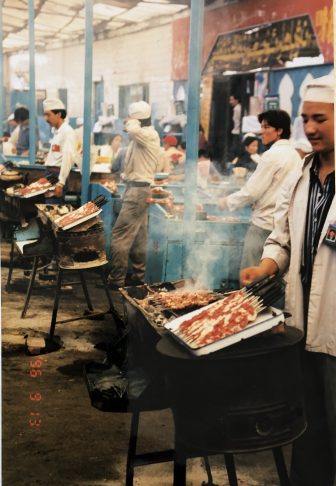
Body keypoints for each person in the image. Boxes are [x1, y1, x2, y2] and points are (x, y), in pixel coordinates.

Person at [240, 73, 335, 486]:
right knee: (308, 425)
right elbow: (282, 237)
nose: (310, 128)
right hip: (301, 327)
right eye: (305, 119)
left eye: (320, 119)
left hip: (334, 327)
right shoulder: (301, 174)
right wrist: (266, 266)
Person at [219, 109, 302, 269]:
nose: (261, 131)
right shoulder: (294, 155)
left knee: (250, 279)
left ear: (279, 131)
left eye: (266, 127)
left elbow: (252, 192)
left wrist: (226, 202)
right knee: (270, 284)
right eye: (261, 127)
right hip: (283, 228)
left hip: (262, 227)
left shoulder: (272, 155)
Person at [108, 100, 161, 289]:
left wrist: (132, 121)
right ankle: (137, 278)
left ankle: (117, 279)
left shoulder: (147, 134)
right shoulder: (142, 136)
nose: (127, 121)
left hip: (138, 191)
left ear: (137, 120)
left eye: (130, 118)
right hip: (137, 189)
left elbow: (132, 129)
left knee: (119, 235)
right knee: (138, 237)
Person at [43, 98, 77, 204]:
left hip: (57, 176)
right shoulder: (57, 132)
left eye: (48, 115)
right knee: (49, 209)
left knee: (52, 209)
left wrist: (61, 183)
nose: (46, 119)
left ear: (58, 114)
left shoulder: (67, 131)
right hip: (50, 174)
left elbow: (68, 158)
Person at [228, 94, 242, 160]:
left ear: (236, 100)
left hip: (237, 131)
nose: (230, 102)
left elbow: (237, 121)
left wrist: (236, 129)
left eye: (231, 100)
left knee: (234, 148)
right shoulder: (237, 108)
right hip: (237, 131)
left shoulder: (237, 108)